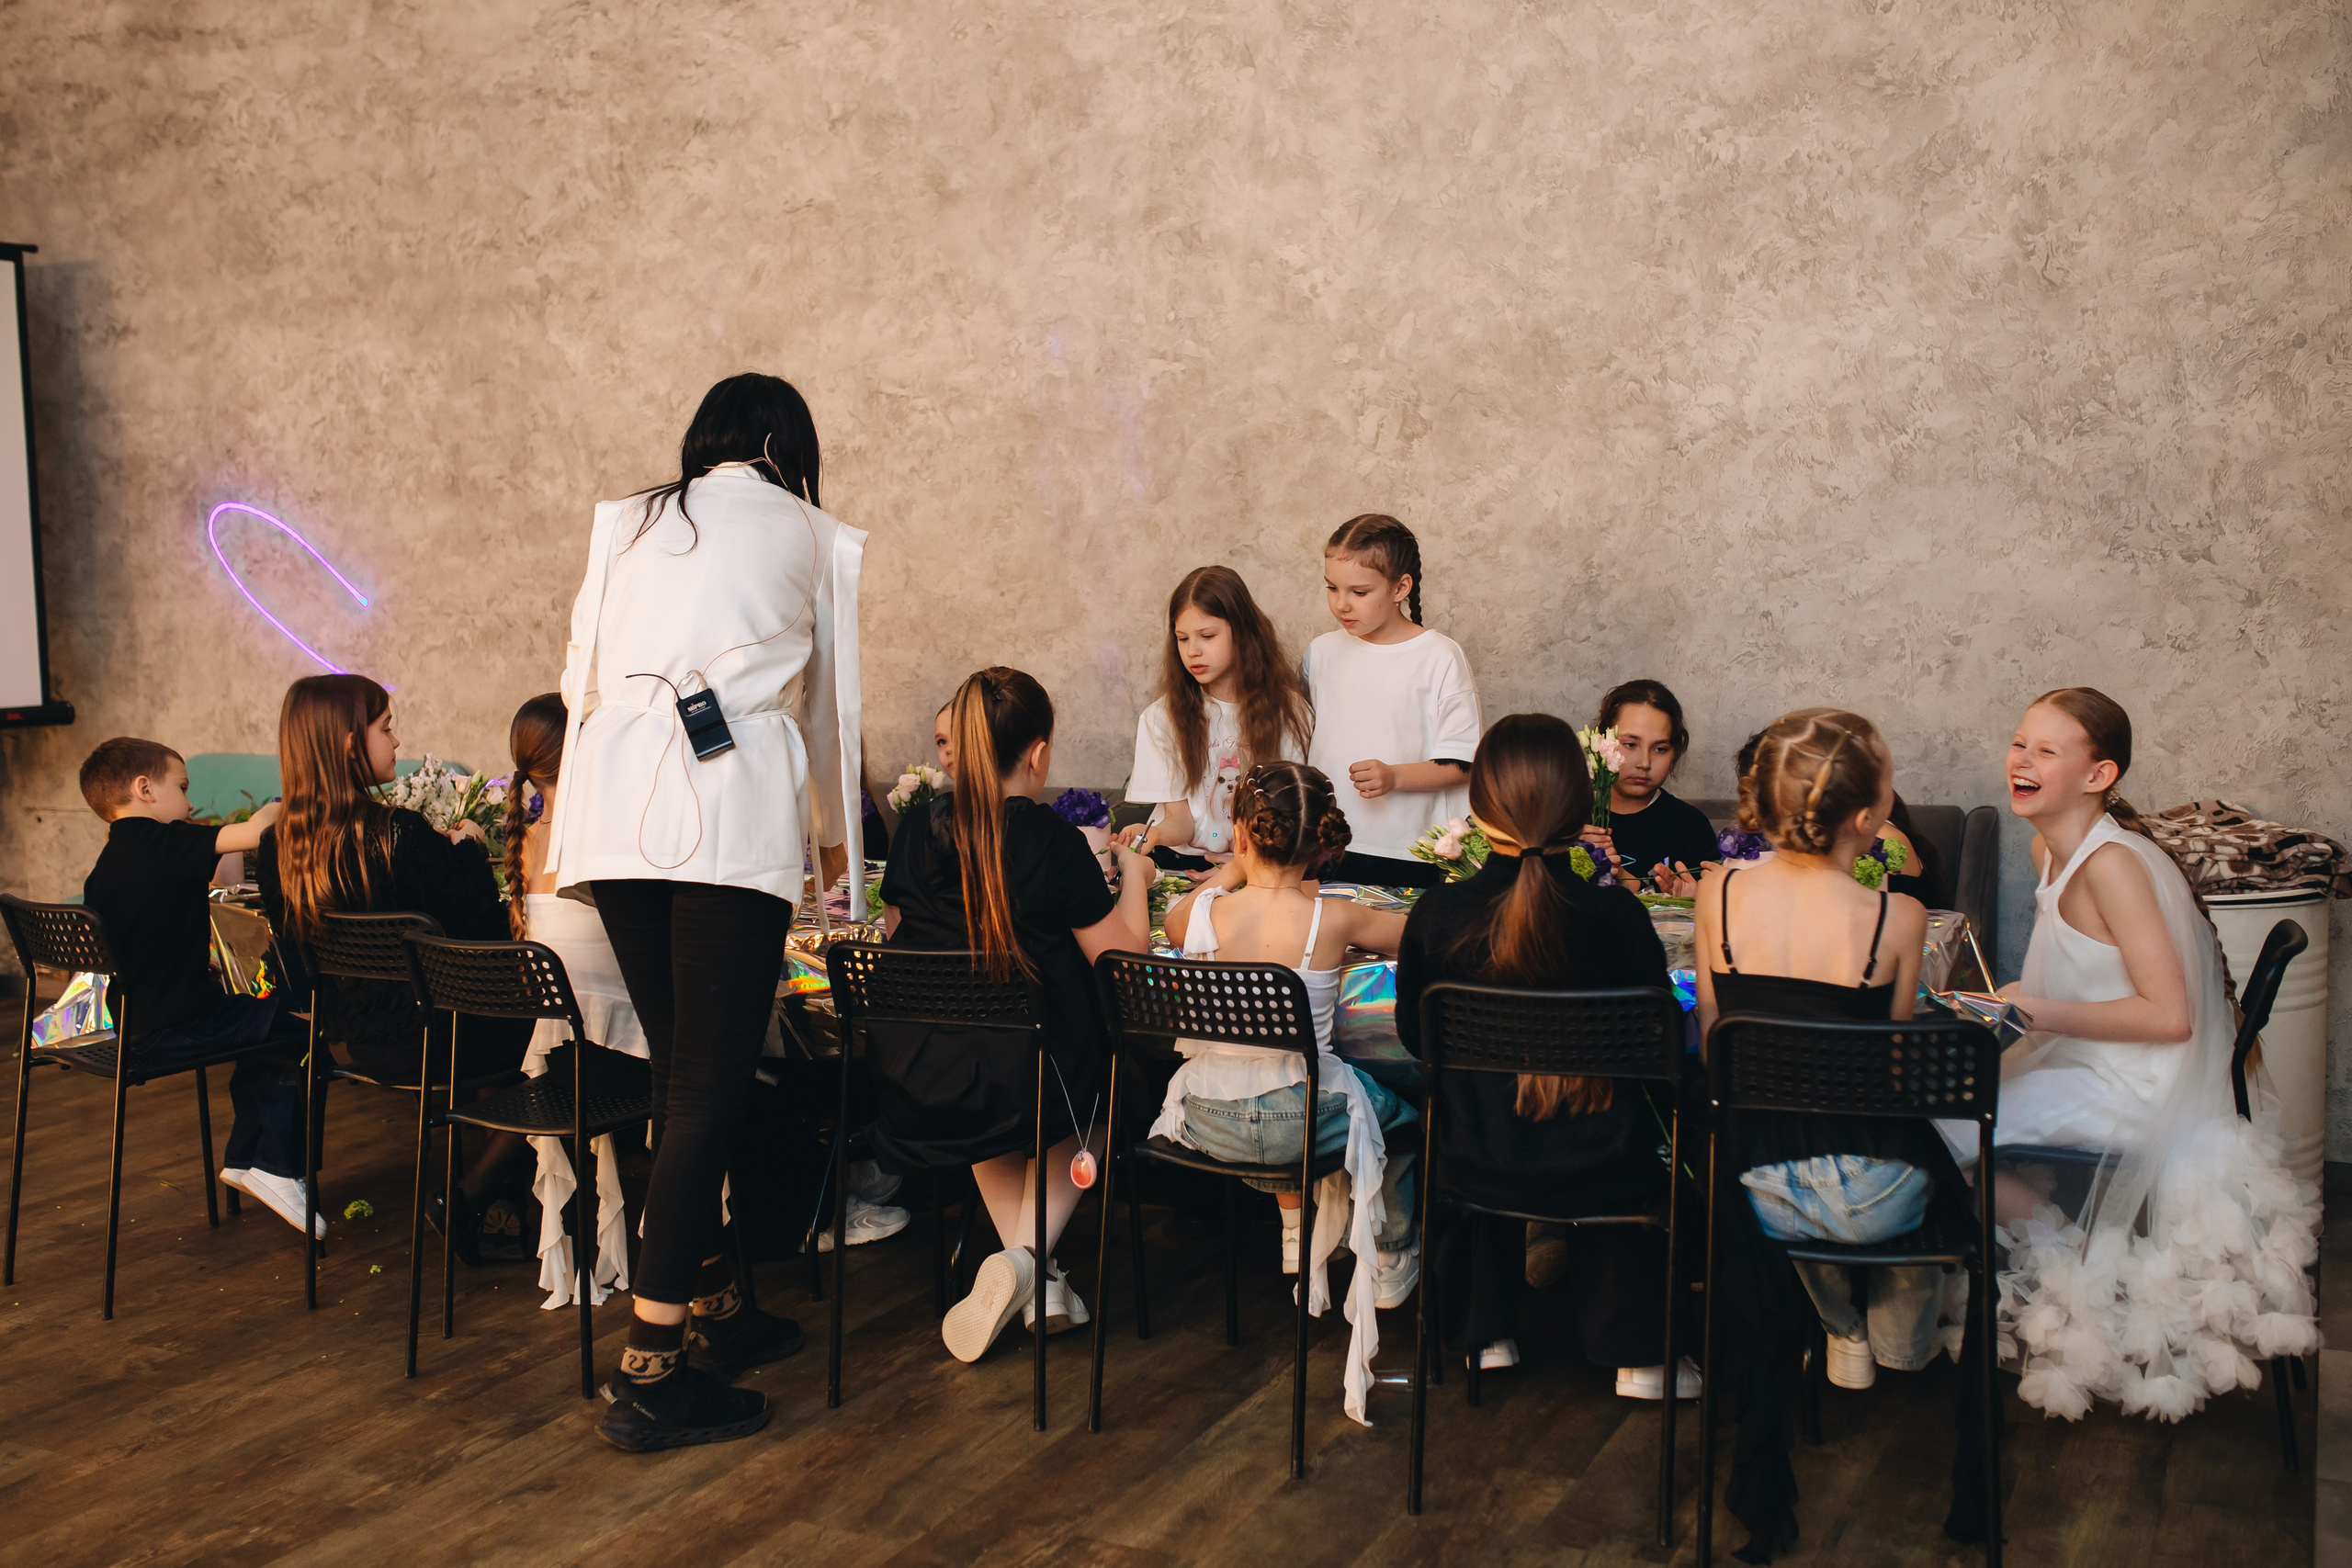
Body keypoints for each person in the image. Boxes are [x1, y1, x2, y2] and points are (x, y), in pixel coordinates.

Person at [543, 373, 864, 1451]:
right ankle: (649, 1371)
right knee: (707, 1091)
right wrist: (836, 857)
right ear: (787, 447)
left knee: (682, 1078)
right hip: (729, 820)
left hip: (609, 816)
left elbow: (577, 680)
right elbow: (831, 711)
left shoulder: (624, 521)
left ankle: (718, 1303)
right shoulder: (813, 532)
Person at [1941, 687, 2319, 1421]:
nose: (2021, 760)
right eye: (2020, 743)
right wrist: (2002, 1001)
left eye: (2046, 750)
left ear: (2098, 775)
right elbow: (2079, 978)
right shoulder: (2048, 848)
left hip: (2133, 1084)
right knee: (1942, 1098)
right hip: (2086, 1060)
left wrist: (2028, 1010)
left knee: (1936, 1122)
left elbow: (2170, 1017)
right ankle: (2060, 1246)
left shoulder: (2111, 865)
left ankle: (2073, 1262)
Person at [1693, 708, 1972, 1562]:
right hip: (1877, 1187)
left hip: (1751, 1188)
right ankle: (1896, 1333)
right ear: (1867, 816)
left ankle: (1844, 1322)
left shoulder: (1717, 893)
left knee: (1791, 1155)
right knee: (1964, 1168)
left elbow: (1714, 1041)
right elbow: (1888, 1068)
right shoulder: (1899, 917)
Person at [1393, 715, 1696, 1398]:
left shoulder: (1438, 914)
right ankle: (1640, 1354)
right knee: (1639, 1127)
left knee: (1467, 1112)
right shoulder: (1616, 918)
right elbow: (1658, 1050)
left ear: (1479, 811)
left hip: (1479, 1160)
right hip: (1605, 1164)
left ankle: (1485, 1334)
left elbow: (1418, 1039)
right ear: (1581, 807)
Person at [869, 667, 1155, 1361]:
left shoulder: (915, 829)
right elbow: (1122, 962)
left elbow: (901, 933)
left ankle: (1042, 1285)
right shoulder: (1051, 840)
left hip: (926, 1072)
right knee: (1109, 1085)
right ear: (1038, 752)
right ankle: (1025, 1259)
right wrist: (1136, 879)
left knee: (993, 1084)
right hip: (1038, 1070)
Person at [1157, 761, 1413, 1424]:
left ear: (1242, 835)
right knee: (1398, 1115)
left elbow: (1175, 920)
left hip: (1208, 1119)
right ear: (1323, 842)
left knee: (1274, 1095)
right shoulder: (1335, 917)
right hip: (1297, 1121)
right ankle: (1390, 1252)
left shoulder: (1203, 913)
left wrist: (1230, 873)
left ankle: (1298, 1226)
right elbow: (1414, 936)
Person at [256, 675, 536, 1257]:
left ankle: (504, 1202)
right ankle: (470, 1195)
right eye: (386, 728)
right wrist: (465, 848)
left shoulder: (279, 847)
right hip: (446, 1038)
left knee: (496, 1045)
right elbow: (481, 941)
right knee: (568, 1046)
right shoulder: (399, 836)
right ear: (348, 744)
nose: (397, 741)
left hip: (365, 1046)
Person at [76, 738, 315, 1236]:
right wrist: (287, 802)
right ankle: (274, 1164)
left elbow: (215, 879)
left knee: (262, 1016)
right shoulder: (163, 842)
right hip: (171, 1028)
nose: (189, 803)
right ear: (145, 789)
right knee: (302, 1031)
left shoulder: (111, 861)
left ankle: (247, 1158)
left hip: (132, 1024)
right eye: (182, 788)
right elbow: (256, 832)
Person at [1306, 514, 1481, 887]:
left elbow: (1463, 763)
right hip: (1325, 846)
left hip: (1409, 851)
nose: (1341, 604)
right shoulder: (1321, 652)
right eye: (1332, 588)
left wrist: (1394, 776)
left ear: (1400, 588)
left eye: (1359, 592)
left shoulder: (1439, 656)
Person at [1116, 565, 1312, 871]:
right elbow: (1181, 822)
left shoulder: (1289, 711)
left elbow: (1289, 816)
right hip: (1181, 864)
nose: (1192, 651)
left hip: (1263, 867)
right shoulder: (1161, 717)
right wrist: (1153, 834)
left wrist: (1241, 870)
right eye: (1182, 638)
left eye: (1207, 636)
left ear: (1243, 632)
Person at [1589, 679, 1719, 896]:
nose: (1645, 763)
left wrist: (1690, 898)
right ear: (1601, 742)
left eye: (1660, 749)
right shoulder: (1566, 816)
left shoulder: (1690, 827)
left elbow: (1713, 903)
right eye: (1630, 745)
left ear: (1675, 752)